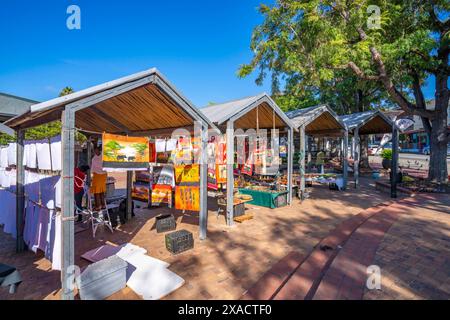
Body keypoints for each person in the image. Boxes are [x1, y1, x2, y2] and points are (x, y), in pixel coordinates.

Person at [91, 146, 107, 210]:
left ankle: (99, 206)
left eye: (96, 150)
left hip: (99, 176)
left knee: (98, 191)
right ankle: (102, 205)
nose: (95, 152)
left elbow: (92, 169)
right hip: (100, 175)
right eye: (95, 151)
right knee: (99, 191)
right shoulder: (99, 157)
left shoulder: (95, 158)